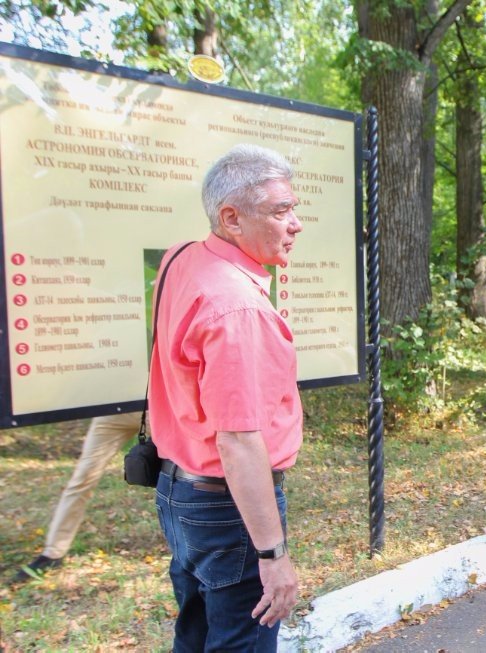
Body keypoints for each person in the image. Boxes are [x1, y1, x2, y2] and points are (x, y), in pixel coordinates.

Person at [149, 143, 304, 651]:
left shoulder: (180, 258)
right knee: (241, 641)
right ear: (231, 218)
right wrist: (273, 556)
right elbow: (238, 441)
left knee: (195, 632)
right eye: (281, 211)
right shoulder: (238, 309)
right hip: (226, 508)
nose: (296, 224)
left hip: (178, 494)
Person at [12, 412, 142, 582]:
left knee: (182, 472)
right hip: (111, 413)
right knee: (82, 478)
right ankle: (53, 553)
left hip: (157, 403)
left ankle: (185, 541)